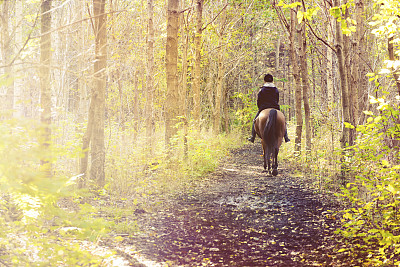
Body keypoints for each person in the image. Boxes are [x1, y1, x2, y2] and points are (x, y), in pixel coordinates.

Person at [248, 73, 290, 143]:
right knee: (284, 121)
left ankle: (252, 137)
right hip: (275, 107)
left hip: (264, 107)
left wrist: (260, 108)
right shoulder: (276, 90)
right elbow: (277, 99)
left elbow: (259, 101)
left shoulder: (262, 90)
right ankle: (286, 137)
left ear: (264, 81)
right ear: (272, 81)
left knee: (255, 120)